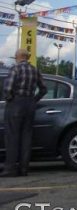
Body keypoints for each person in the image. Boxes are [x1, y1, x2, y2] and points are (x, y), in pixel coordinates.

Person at [2, 49, 47, 177]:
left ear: (18, 57)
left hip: (16, 104)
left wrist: (10, 99)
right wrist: (34, 99)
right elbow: (43, 89)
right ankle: (23, 169)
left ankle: (10, 169)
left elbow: (7, 89)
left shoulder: (15, 69)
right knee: (26, 137)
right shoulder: (35, 70)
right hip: (30, 104)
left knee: (12, 137)